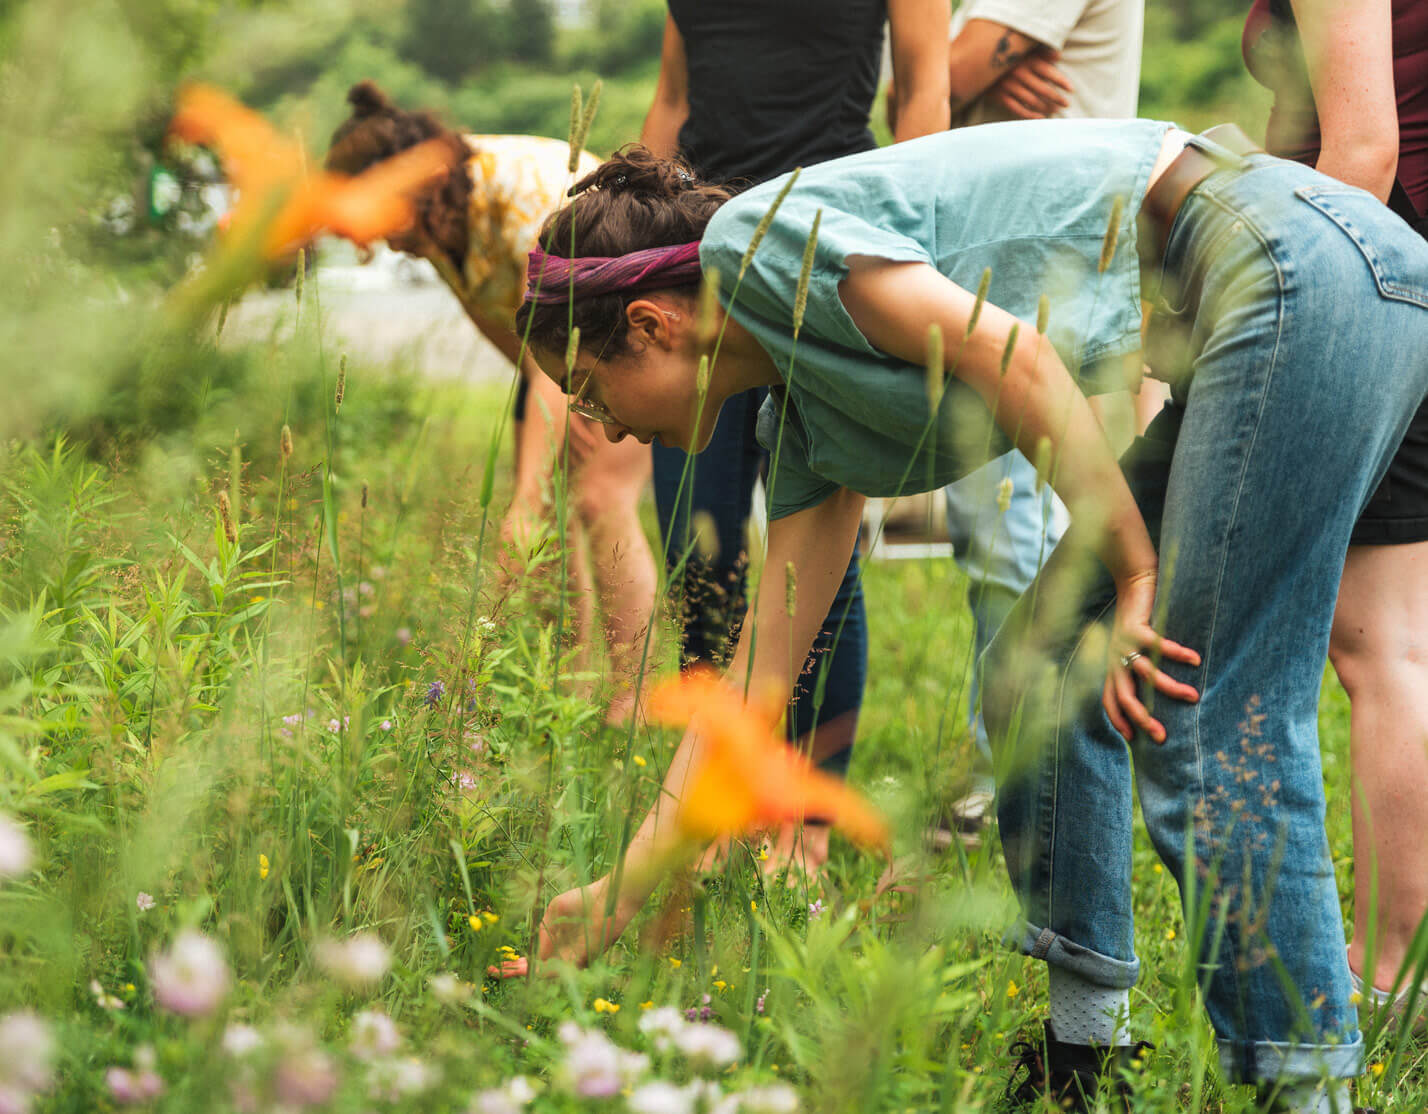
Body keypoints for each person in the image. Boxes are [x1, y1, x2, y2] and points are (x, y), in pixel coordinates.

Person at [516, 123, 1428, 1111]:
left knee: (1200, 704)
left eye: (586, 389)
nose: (597, 425)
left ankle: (1309, 1092)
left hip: (1296, 262)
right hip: (1324, 273)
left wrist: (1132, 569)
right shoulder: (810, 418)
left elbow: (1013, 353)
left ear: (648, 325)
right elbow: (751, 689)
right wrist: (619, 891)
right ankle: (1085, 1051)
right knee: (1034, 668)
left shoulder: (755, 239)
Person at [637, 0, 949, 874]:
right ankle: (712, 792)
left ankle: (806, 818)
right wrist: (625, 247)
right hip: (696, 255)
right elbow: (671, 97)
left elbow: (923, 89)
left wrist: (905, 247)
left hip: (825, 244)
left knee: (816, 538)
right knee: (695, 531)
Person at [326, 82, 658, 719]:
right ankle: (563, 694)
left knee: (595, 499)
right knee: (541, 528)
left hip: (624, 331)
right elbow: (508, 334)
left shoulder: (523, 195)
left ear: (430, 180)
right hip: (559, 358)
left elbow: (565, 334)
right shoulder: (436, 221)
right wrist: (552, 435)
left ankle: (630, 705)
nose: (380, 240)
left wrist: (530, 492)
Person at [1243, 0, 1428, 1028]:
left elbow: (1360, 145)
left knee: (1379, 646)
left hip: (1376, 270)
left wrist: (1271, 306)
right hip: (1404, 267)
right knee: (1397, 641)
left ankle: (1390, 968)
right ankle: (1400, 962)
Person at [930, 0, 1151, 847]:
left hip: (1041, 258)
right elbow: (935, 78)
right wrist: (965, 74)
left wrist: (960, 78)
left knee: (1010, 532)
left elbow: (937, 77)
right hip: (1053, 250)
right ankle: (1033, 770)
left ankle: (1024, 782)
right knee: (1016, 530)